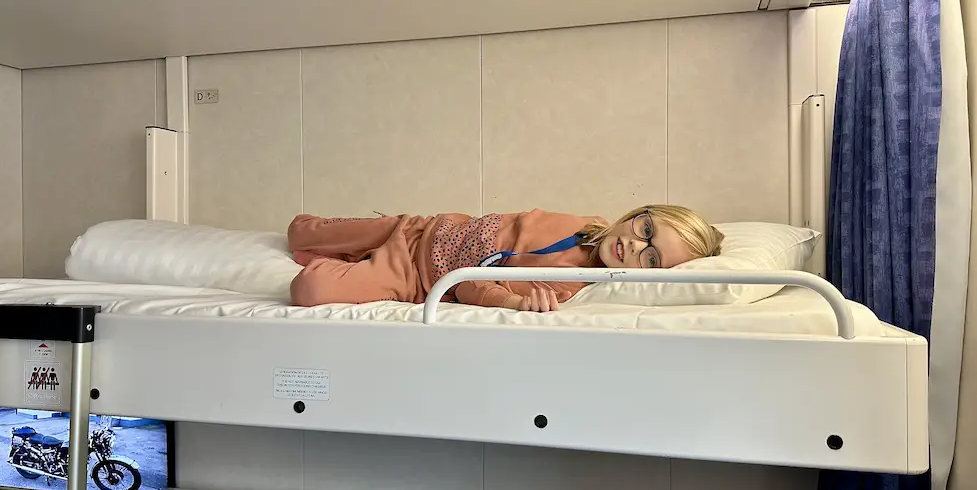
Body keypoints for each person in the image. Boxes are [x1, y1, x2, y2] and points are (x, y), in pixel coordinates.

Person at [288, 205, 724, 311]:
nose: (634, 244)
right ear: (638, 214)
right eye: (645, 230)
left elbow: (468, 284)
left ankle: (357, 266)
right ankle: (354, 248)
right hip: (419, 228)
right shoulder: (585, 223)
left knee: (311, 287)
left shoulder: (572, 284)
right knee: (299, 232)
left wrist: (513, 304)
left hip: (416, 274)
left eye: (651, 259)